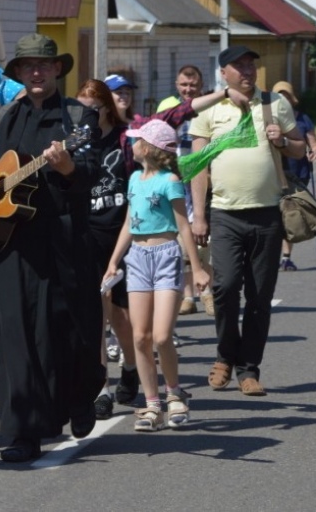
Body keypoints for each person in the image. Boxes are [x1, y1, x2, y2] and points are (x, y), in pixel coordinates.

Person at [0, 33, 102, 463]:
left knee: (70, 329)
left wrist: (68, 165)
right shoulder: (2, 116)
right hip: (10, 243)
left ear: (57, 70)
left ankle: (80, 397)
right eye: (27, 66)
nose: (36, 72)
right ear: (16, 73)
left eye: (44, 64)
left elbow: (91, 171)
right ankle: (23, 433)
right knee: (15, 338)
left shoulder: (78, 117)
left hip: (64, 237)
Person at [77, 77, 248, 419]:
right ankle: (102, 388)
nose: (88, 114)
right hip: (91, 235)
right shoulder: (76, 139)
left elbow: (179, 114)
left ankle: (136, 373)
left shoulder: (131, 136)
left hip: (135, 237)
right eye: (83, 107)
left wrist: (224, 94)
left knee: (129, 324)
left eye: (95, 107)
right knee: (96, 317)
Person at [189, 46, 306, 397]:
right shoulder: (210, 108)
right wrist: (199, 216)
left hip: (267, 214)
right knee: (224, 289)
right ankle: (225, 356)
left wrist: (284, 140)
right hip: (224, 215)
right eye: (238, 66)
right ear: (223, 72)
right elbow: (197, 166)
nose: (247, 71)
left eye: (250, 65)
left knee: (259, 296)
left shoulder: (274, 104)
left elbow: (299, 148)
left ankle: (249, 369)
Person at [102, 119, 210, 431]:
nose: (131, 144)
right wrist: (114, 261)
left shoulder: (170, 181)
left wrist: (198, 267)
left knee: (161, 335)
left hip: (165, 257)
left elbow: (184, 225)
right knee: (140, 336)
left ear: (149, 147)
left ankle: (174, 394)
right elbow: (129, 222)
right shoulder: (134, 178)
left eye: (136, 140)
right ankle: (151, 405)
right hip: (136, 258)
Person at [157, 65, 210, 314]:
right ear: (177, 85)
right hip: (176, 176)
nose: (188, 90)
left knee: (204, 239)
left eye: (193, 85)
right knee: (182, 237)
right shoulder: (167, 106)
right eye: (184, 85)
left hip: (203, 176)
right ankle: (187, 296)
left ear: (201, 85)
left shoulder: (209, 105)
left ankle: (208, 292)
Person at [272, 81, 316, 271]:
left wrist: (314, 151)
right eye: (279, 96)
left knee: (290, 214)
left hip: (298, 172)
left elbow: (313, 141)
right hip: (275, 173)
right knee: (274, 217)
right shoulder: (270, 120)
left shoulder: (302, 119)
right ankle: (271, 257)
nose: (283, 100)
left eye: (286, 96)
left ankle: (286, 257)